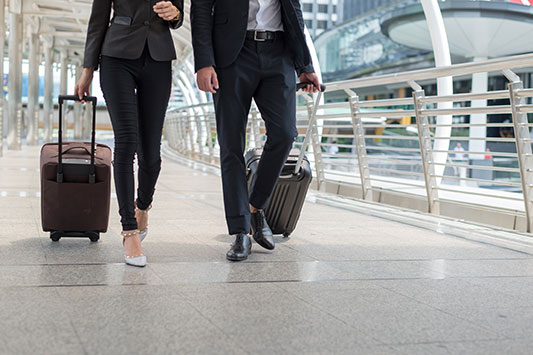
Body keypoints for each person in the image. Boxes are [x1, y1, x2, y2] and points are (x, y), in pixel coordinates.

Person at [191, 0, 321, 261]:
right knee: (231, 145)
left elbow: (293, 12)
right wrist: (204, 62)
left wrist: (305, 66)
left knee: (285, 133)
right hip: (232, 55)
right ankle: (240, 231)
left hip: (279, 52)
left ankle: (255, 206)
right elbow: (201, 10)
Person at [75, 0, 184, 267]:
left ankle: (143, 205)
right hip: (116, 57)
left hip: (158, 57)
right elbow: (98, 19)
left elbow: (177, 16)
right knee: (126, 143)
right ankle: (129, 230)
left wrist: (176, 14)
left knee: (152, 156)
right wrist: (87, 70)